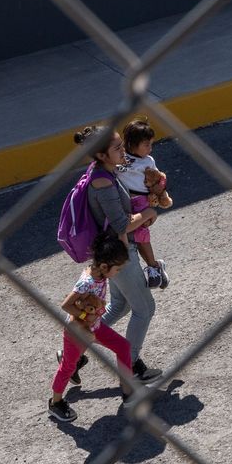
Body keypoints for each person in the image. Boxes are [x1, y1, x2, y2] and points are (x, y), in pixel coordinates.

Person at [73, 124, 165, 385]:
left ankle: (74, 350)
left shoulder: (106, 172)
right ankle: (132, 365)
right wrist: (146, 214)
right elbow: (121, 224)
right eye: (117, 148)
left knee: (120, 306)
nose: (123, 150)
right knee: (145, 309)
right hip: (119, 255)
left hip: (115, 251)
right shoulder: (102, 182)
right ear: (101, 155)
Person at [48, 229, 135, 423]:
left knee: (123, 347)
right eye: (117, 269)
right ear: (104, 266)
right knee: (67, 367)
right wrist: (87, 315)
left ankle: (127, 389)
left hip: (95, 326)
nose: (118, 273)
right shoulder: (86, 282)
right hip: (77, 331)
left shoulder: (101, 275)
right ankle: (56, 403)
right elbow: (66, 305)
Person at [115, 119, 173, 289]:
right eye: (146, 144)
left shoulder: (148, 161)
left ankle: (154, 267)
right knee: (132, 236)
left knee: (140, 236)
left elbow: (157, 181)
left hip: (140, 202)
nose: (150, 148)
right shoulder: (120, 157)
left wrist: (161, 195)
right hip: (123, 201)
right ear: (132, 144)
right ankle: (153, 266)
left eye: (151, 144)